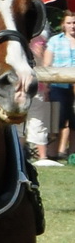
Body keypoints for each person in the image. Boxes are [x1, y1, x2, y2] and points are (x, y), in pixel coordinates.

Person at [43, 10, 75, 163]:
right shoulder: (55, 41)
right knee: (57, 120)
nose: (72, 26)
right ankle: (52, 155)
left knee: (74, 122)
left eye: (74, 23)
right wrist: (46, 88)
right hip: (58, 85)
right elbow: (46, 65)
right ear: (63, 25)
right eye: (69, 23)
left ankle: (72, 155)